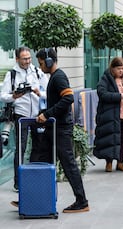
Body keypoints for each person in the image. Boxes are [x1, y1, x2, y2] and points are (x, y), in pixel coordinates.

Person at [34, 48, 89, 213]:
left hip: (61, 129)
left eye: (42, 63)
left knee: (68, 164)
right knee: (42, 160)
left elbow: (69, 98)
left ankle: (82, 201)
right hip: (54, 127)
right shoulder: (54, 77)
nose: (40, 66)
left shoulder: (58, 77)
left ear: (49, 61)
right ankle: (32, 196)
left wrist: (47, 114)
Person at [0, 46, 48, 192]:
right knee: (20, 148)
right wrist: (14, 96)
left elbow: (48, 92)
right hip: (21, 114)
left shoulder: (37, 71)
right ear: (17, 59)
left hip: (37, 115)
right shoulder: (12, 74)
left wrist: (39, 93)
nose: (27, 61)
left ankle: (33, 176)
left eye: (29, 58)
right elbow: (3, 96)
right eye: (24, 59)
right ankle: (18, 182)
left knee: (38, 146)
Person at [93, 57, 123, 172]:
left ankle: (120, 162)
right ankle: (108, 162)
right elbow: (102, 93)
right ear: (112, 69)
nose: (121, 71)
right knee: (111, 139)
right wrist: (120, 96)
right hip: (111, 115)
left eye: (122, 68)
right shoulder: (106, 78)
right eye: (118, 69)